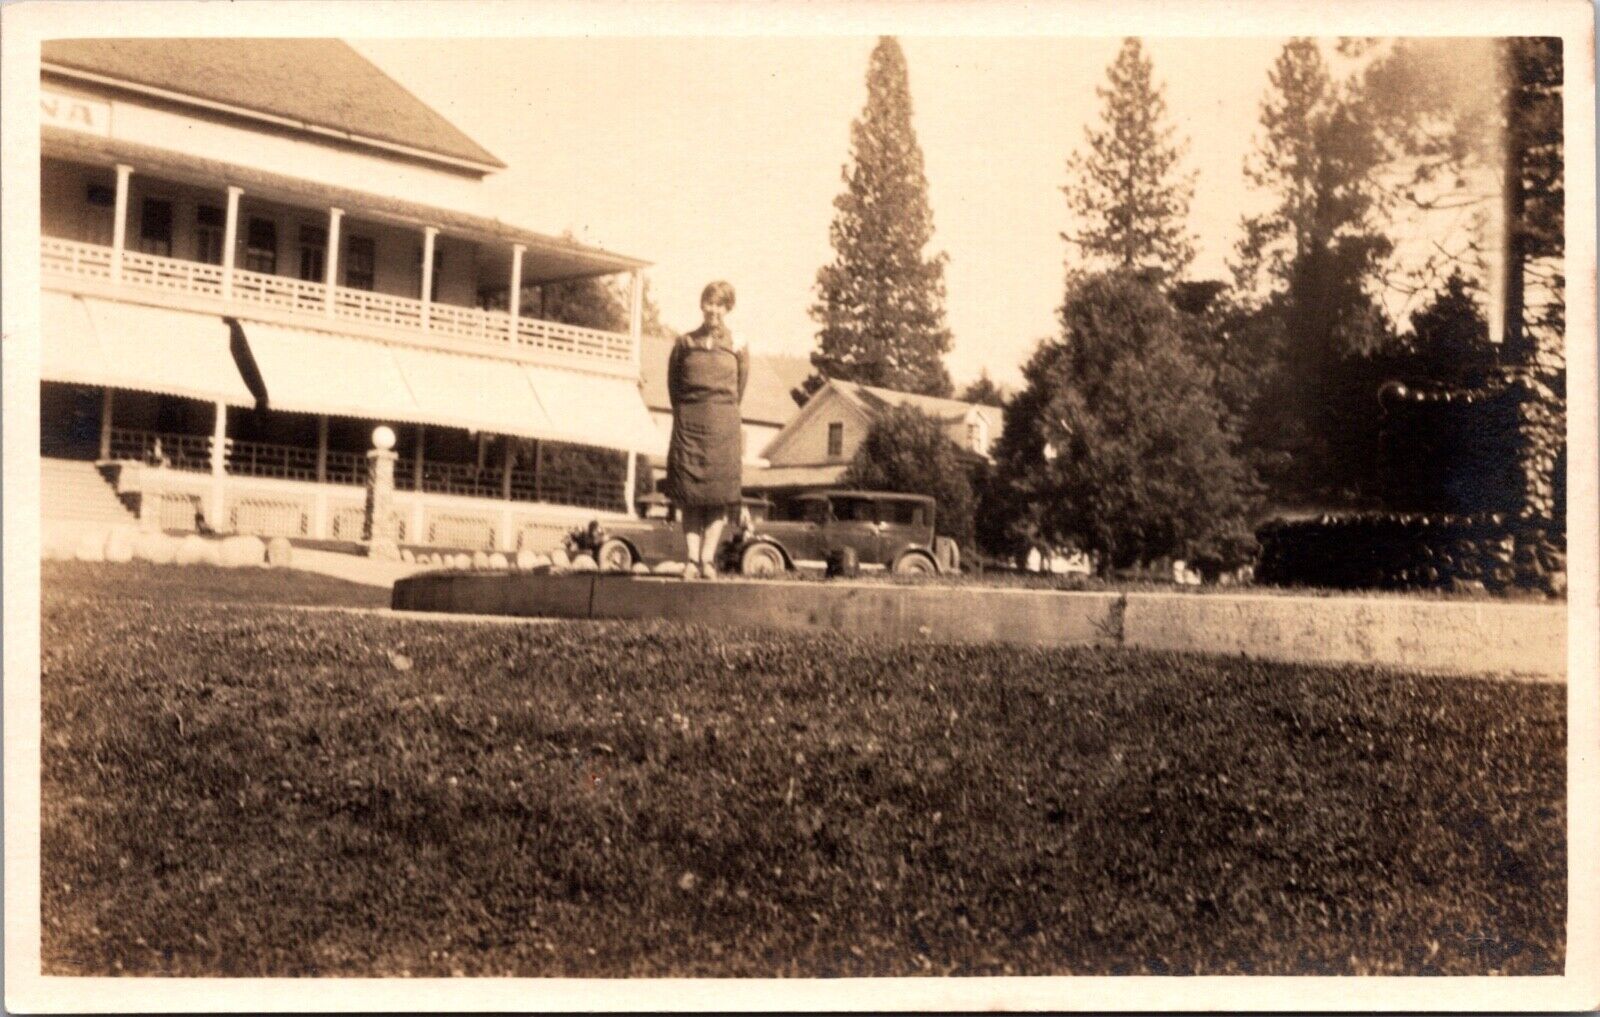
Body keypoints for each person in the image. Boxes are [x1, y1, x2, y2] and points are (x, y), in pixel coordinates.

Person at [663, 281, 748, 578]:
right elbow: (673, 387)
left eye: (719, 304)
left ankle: (707, 561)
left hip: (723, 427)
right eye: (708, 303)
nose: (713, 310)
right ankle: (691, 560)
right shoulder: (684, 343)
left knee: (717, 497)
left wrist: (721, 411)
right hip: (690, 425)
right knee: (690, 497)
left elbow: (740, 388)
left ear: (728, 308)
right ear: (702, 306)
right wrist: (688, 412)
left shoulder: (738, 344)